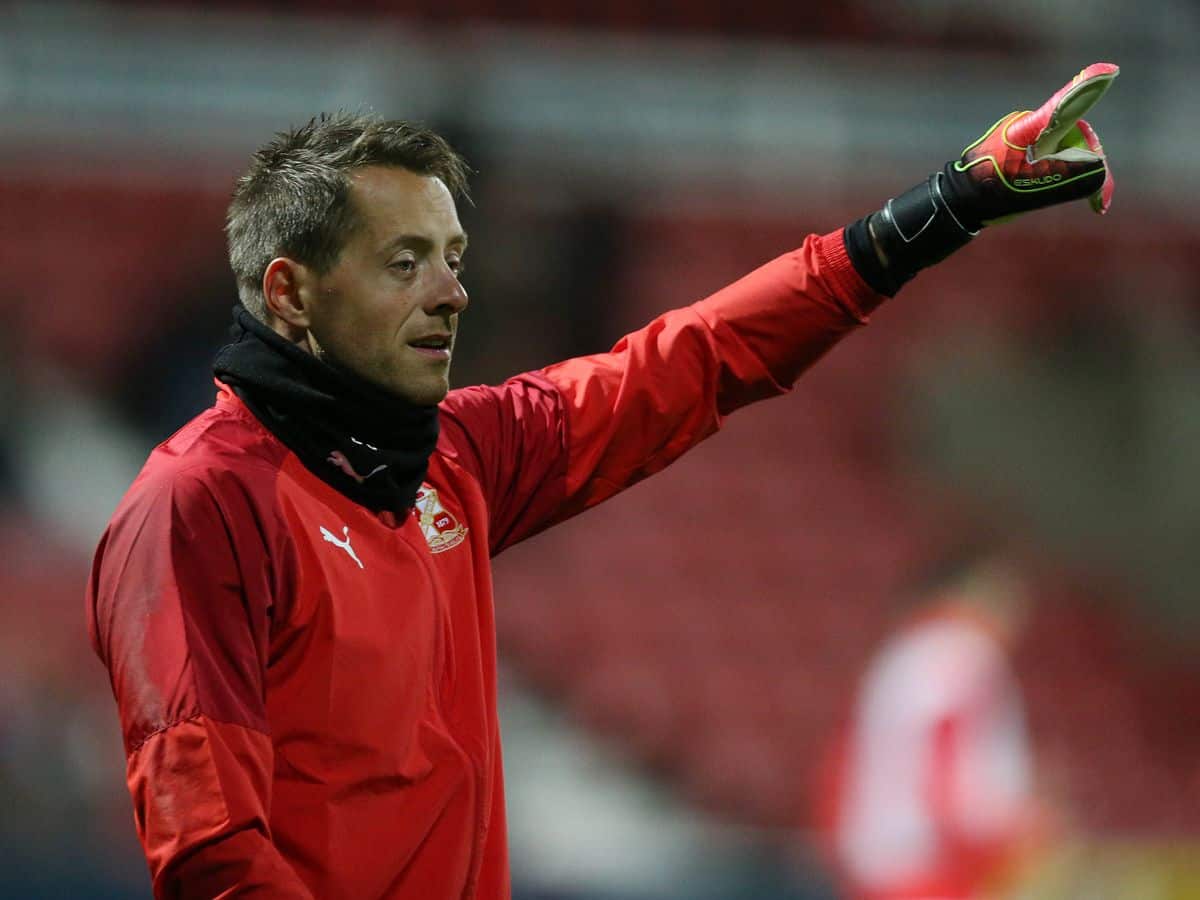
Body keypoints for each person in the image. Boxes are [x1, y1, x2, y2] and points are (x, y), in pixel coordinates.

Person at [87, 63, 1117, 899]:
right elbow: (211, 852)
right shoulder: (203, 502)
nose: (452, 292)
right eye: (406, 262)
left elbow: (695, 359)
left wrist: (947, 205)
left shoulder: (456, 457)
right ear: (290, 292)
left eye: (453, 257)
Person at [818, 554, 1050, 899]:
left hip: (887, 857)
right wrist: (1006, 826)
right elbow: (945, 760)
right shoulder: (958, 652)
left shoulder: (906, 651)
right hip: (925, 861)